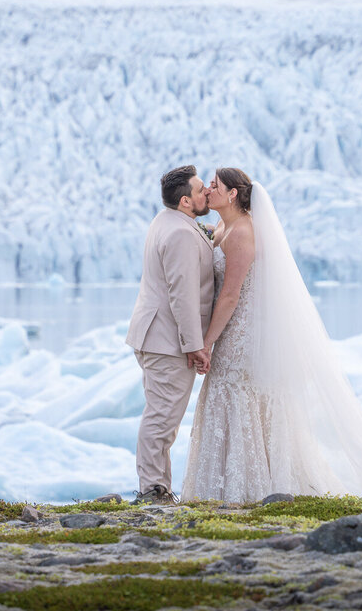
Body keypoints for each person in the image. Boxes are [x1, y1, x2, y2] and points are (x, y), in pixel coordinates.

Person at [181, 168, 362, 502]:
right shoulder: (222, 227)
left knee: (236, 392)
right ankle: (226, 486)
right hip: (231, 328)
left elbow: (230, 295)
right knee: (226, 393)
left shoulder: (243, 231)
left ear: (232, 194)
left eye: (216, 185)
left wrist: (207, 342)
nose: (209, 189)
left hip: (241, 331)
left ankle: (248, 488)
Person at [125, 165, 214, 504]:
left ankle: (158, 487)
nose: (206, 192)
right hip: (166, 341)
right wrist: (194, 346)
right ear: (186, 201)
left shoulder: (167, 221)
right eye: (201, 188)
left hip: (156, 335)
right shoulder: (179, 233)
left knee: (162, 416)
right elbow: (183, 294)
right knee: (162, 419)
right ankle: (153, 489)